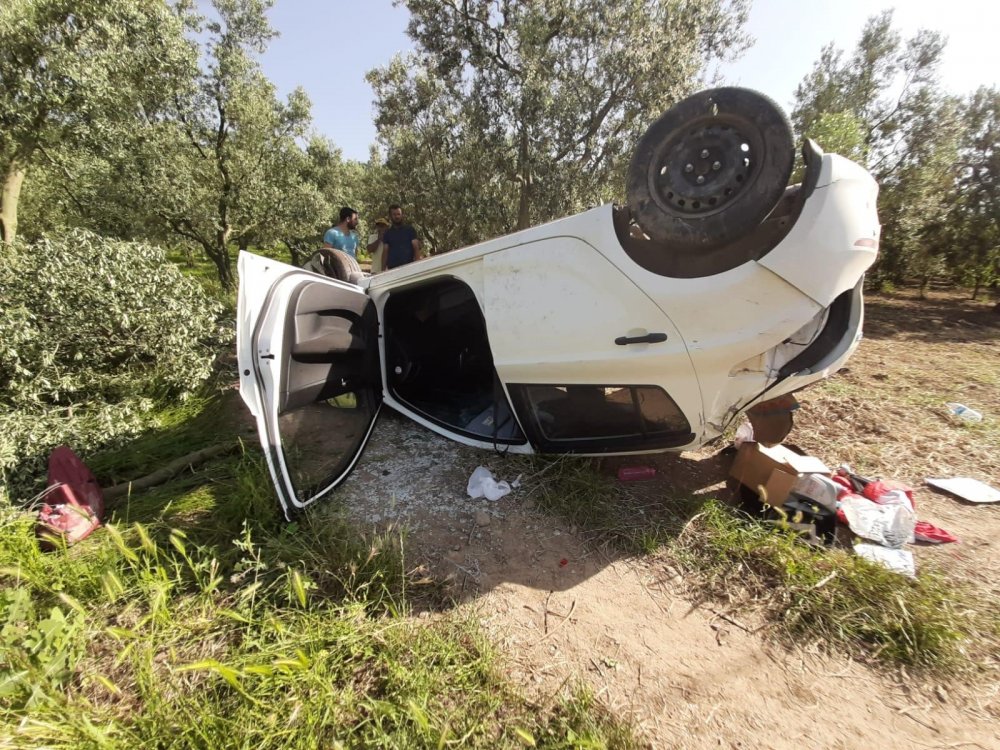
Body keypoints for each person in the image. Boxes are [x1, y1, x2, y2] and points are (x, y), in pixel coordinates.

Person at [381, 204, 422, 270]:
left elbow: (416, 247)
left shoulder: (410, 230)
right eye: (394, 214)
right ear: (390, 216)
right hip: (393, 269)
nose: (397, 216)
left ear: (402, 215)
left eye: (398, 214)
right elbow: (385, 251)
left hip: (409, 266)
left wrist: (418, 265)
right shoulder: (387, 233)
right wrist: (382, 270)